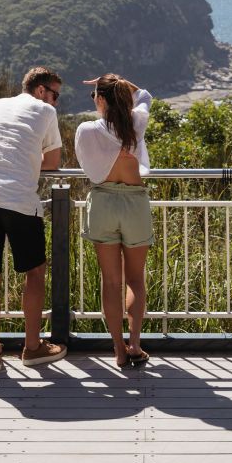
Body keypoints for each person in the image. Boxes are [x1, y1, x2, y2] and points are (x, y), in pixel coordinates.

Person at [0, 66, 67, 371]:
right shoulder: (45, 112)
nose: (56, 102)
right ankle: (32, 347)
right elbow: (53, 161)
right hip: (20, 200)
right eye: (55, 95)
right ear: (40, 91)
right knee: (34, 273)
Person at [74, 74, 153, 369]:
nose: (93, 99)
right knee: (135, 279)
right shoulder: (136, 123)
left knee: (111, 282)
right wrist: (121, 81)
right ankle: (135, 343)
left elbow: (88, 166)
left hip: (103, 203)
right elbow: (145, 94)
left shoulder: (86, 130)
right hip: (135, 203)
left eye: (94, 94)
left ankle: (118, 350)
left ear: (102, 100)